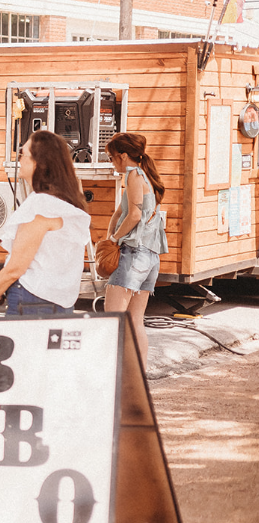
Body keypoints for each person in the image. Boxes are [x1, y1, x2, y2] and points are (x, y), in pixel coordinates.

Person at [0, 131, 91, 317]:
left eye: (22, 153)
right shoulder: (67, 204)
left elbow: (16, 268)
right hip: (61, 302)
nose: (19, 159)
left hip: (32, 300)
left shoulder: (41, 206)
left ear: (40, 163)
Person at [103, 132, 168, 365]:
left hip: (133, 255)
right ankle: (138, 374)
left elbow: (133, 215)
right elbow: (121, 212)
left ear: (122, 156)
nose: (111, 162)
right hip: (151, 257)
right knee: (136, 319)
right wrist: (112, 232)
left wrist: (113, 239)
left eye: (111, 158)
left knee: (114, 319)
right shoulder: (147, 176)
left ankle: (113, 373)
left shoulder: (133, 176)